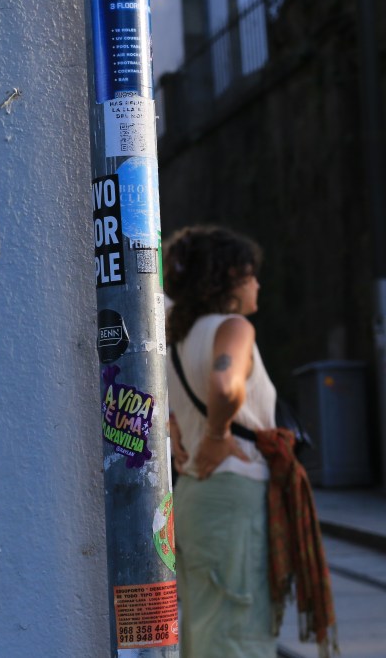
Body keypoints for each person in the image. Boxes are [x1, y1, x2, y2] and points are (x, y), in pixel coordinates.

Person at [164, 225, 278, 656]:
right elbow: (226, 386)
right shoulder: (234, 328)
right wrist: (217, 434)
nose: (257, 284)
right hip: (232, 489)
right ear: (231, 276)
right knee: (236, 632)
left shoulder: (177, 340)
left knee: (205, 626)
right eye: (251, 274)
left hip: (194, 494)